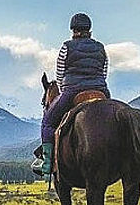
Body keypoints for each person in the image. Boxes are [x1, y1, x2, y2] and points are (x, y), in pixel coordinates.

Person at [34, 12, 109, 177]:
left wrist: (63, 89)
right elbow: (104, 72)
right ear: (89, 29)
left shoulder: (66, 47)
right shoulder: (101, 47)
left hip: (73, 90)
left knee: (47, 122)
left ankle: (46, 164)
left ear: (73, 30)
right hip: (100, 89)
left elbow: (60, 74)